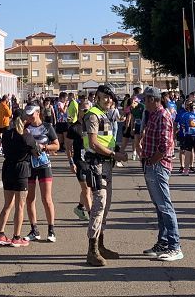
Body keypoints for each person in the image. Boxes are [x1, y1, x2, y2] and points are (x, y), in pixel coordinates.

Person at [83, 85, 126, 267]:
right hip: (97, 164)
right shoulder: (93, 115)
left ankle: (100, 245)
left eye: (110, 97)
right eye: (105, 97)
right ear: (97, 98)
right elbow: (93, 143)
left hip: (106, 165)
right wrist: (114, 154)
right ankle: (92, 250)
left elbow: (104, 139)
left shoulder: (105, 115)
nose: (108, 100)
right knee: (99, 205)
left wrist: (114, 151)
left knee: (106, 206)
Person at [138, 87, 182, 261]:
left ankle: (174, 246)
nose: (143, 103)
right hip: (152, 164)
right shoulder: (155, 115)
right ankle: (163, 242)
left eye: (146, 100)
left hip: (158, 166)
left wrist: (152, 160)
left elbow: (164, 145)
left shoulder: (163, 116)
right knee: (160, 206)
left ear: (153, 100)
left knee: (165, 206)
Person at [0, 108, 40, 247]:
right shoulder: (26, 135)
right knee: (20, 206)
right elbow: (36, 153)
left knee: (7, 204)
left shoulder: (7, 134)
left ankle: (0, 234)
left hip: (8, 168)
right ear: (25, 120)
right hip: (21, 169)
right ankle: (16, 236)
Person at [23, 103, 59, 242]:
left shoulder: (47, 127)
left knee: (47, 198)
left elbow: (57, 145)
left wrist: (44, 147)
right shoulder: (26, 128)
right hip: (29, 165)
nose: (30, 116)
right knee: (30, 198)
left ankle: (51, 230)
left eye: (32, 114)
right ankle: (34, 230)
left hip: (44, 165)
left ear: (38, 112)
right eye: (28, 114)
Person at [66, 98, 92, 221]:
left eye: (89, 110)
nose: (86, 112)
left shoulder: (92, 126)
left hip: (91, 161)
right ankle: (92, 216)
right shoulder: (74, 128)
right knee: (86, 189)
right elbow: (68, 147)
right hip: (79, 161)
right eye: (84, 110)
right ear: (79, 112)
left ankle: (80, 207)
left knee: (89, 188)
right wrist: (71, 162)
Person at [178, 95, 195, 175]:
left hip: (188, 136)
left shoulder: (185, 115)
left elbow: (182, 126)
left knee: (188, 153)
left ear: (188, 108)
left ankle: (186, 171)